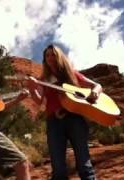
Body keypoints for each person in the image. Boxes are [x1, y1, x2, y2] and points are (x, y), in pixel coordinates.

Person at [26, 44, 101, 180]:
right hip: (54, 123)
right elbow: (38, 100)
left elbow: (97, 86)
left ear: (59, 56)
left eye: (53, 54)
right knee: (58, 168)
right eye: (47, 56)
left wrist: (95, 93)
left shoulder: (72, 73)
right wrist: (32, 89)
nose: (50, 58)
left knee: (84, 165)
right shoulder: (44, 80)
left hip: (75, 119)